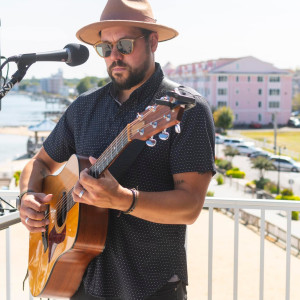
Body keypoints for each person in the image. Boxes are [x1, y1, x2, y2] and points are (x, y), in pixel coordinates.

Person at [18, 0, 216, 299]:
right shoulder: (84, 107)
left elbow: (190, 206)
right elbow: (40, 163)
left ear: (153, 42)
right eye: (105, 48)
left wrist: (123, 199)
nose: (114, 56)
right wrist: (28, 196)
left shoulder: (185, 109)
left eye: (124, 44)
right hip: (80, 278)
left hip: (150, 283)